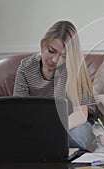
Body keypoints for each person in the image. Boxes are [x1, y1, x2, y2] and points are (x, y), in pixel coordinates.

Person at [13, 20, 94, 150]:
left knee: (73, 139)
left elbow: (81, 114)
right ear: (42, 44)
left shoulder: (74, 70)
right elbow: (18, 108)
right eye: (51, 51)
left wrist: (55, 126)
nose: (55, 60)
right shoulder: (26, 67)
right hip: (37, 124)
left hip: (72, 124)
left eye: (63, 56)